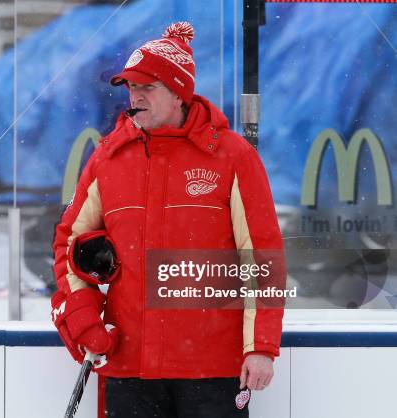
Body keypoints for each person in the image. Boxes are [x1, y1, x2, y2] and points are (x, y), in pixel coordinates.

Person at [51, 21, 284, 418]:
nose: (135, 98)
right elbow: (68, 246)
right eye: (130, 88)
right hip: (129, 367)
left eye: (147, 88)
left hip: (212, 369)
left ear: (178, 93)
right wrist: (84, 320)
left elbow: (260, 255)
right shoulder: (108, 158)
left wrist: (260, 346)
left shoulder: (233, 156)